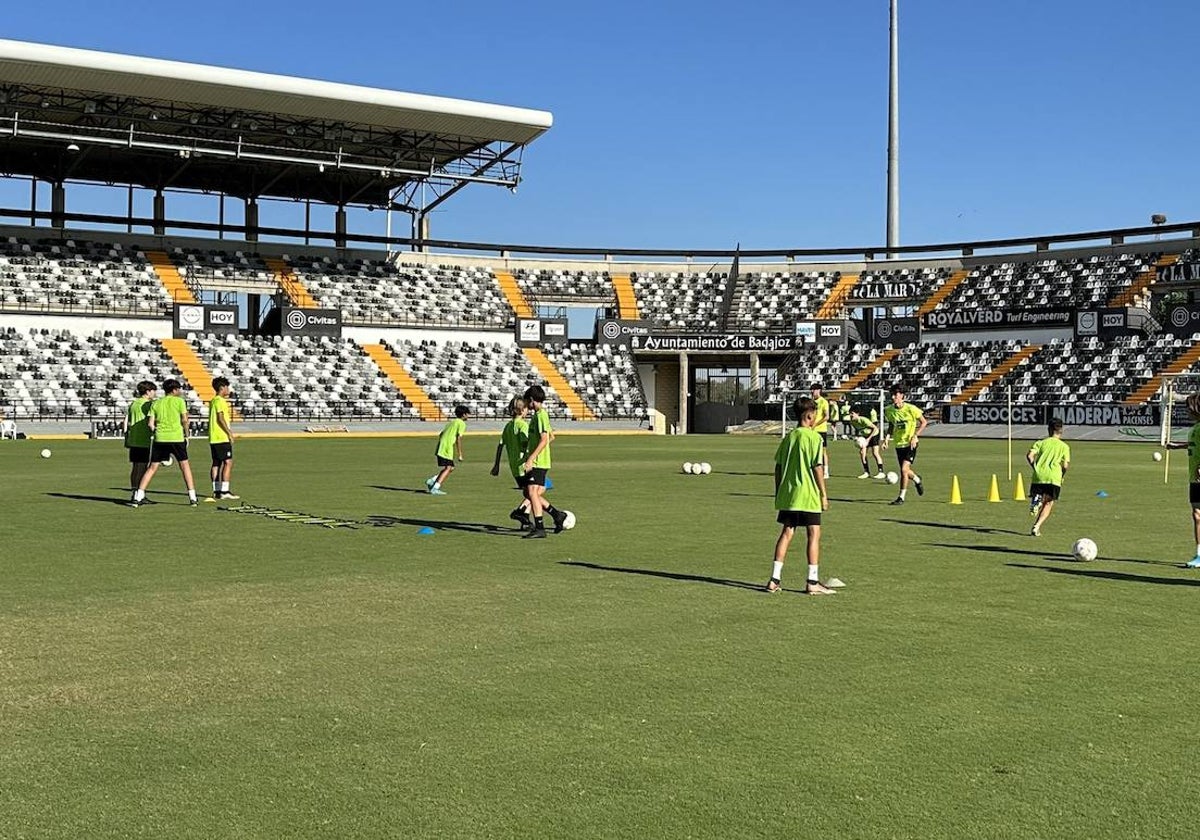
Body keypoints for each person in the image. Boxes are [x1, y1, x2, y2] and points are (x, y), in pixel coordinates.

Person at [766, 396, 834, 595]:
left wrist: (779, 491)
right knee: (814, 534)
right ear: (810, 415)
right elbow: (817, 467)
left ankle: (773, 579)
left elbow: (778, 467)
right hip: (808, 495)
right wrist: (823, 494)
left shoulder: (789, 437)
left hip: (789, 495)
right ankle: (812, 582)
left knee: (787, 532)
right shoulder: (814, 438)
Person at [129, 379, 197, 507]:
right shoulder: (179, 401)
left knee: (152, 468)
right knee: (185, 466)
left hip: (160, 438)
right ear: (175, 390)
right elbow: (184, 420)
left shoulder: (156, 403)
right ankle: (192, 497)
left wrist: (156, 432)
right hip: (176, 438)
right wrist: (187, 435)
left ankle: (137, 497)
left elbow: (150, 424)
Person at [521, 385, 569, 538]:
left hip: (538, 462)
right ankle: (557, 515)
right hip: (539, 460)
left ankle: (540, 527)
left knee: (532, 492)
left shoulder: (541, 415)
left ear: (531, 399)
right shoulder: (538, 416)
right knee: (528, 493)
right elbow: (551, 436)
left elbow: (544, 439)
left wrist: (531, 458)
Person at [491, 396, 533, 529]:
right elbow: (526, 443)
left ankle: (525, 522)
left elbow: (500, 445)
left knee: (529, 493)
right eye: (526, 408)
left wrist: (496, 465)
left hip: (514, 467)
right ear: (522, 410)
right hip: (525, 465)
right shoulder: (523, 425)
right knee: (536, 492)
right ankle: (520, 511)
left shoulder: (508, 426)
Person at [1027, 417, 1070, 537]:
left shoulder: (1041, 443)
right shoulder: (1064, 447)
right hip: (1054, 477)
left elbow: (1030, 456)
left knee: (1042, 498)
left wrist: (1035, 467)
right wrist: (1062, 474)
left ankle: (1037, 499)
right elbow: (1065, 465)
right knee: (1049, 502)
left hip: (1038, 476)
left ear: (1049, 429)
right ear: (1061, 430)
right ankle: (1037, 526)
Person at [884, 384, 927, 505]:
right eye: (892, 395)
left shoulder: (911, 409)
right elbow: (892, 425)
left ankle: (901, 498)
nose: (893, 397)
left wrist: (915, 436)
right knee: (906, 471)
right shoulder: (889, 410)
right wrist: (887, 438)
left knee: (903, 470)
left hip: (910, 444)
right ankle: (917, 479)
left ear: (902, 396)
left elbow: (924, 422)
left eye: (896, 395)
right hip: (899, 444)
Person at [1172, 394, 1200, 567]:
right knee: (1197, 515)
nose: (1187, 411)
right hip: (1194, 478)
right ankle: (1199, 555)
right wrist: (1178, 446)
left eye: (1188, 407)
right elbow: (1195, 445)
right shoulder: (1195, 428)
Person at [206, 376, 240, 502]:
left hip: (214, 437)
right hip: (221, 437)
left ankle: (216, 491)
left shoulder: (213, 400)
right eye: (227, 387)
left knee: (216, 463)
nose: (228, 390)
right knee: (228, 462)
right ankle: (224, 491)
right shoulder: (220, 401)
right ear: (222, 388)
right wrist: (229, 432)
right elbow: (220, 418)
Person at [427, 405, 470, 495]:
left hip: (442, 446)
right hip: (446, 447)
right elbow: (458, 438)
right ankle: (435, 488)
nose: (468, 416)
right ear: (464, 414)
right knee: (449, 468)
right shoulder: (461, 423)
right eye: (467, 414)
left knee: (450, 468)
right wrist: (460, 454)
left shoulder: (452, 422)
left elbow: (441, 434)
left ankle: (432, 480)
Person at [123, 380, 157, 492]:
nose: (154, 393)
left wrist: (126, 436)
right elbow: (150, 421)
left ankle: (134, 490)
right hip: (143, 439)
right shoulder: (147, 405)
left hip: (133, 438)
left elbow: (126, 420)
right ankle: (139, 493)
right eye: (153, 391)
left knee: (135, 467)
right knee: (142, 467)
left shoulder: (134, 403)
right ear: (148, 392)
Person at [848, 406, 886, 479]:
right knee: (862, 453)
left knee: (875, 453)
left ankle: (881, 472)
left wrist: (868, 439)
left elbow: (875, 428)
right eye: (849, 413)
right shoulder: (852, 422)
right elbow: (857, 430)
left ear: (857, 414)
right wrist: (857, 438)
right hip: (865, 436)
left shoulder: (863, 420)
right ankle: (866, 472)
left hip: (874, 434)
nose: (850, 415)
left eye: (852, 413)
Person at [810, 382, 831, 479]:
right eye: (811, 390)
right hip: (811, 430)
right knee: (811, 450)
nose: (812, 391)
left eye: (814, 390)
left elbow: (827, 417)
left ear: (819, 390)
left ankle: (826, 471)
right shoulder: (811, 402)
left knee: (823, 451)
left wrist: (816, 424)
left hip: (821, 430)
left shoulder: (823, 402)